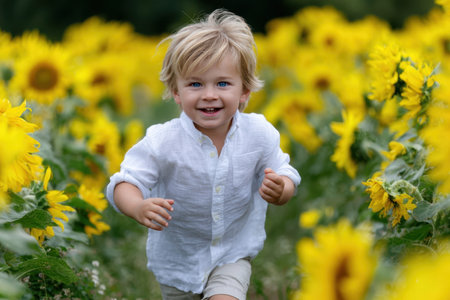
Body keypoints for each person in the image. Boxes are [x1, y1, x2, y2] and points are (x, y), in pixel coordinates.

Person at [106, 9, 301, 300]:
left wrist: (281, 189)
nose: (209, 94)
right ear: (176, 91)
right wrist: (137, 207)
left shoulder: (259, 133)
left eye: (222, 83)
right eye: (195, 84)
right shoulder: (162, 141)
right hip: (177, 262)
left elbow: (286, 173)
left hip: (233, 254)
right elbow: (124, 182)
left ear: (244, 90)